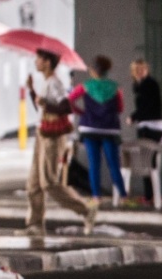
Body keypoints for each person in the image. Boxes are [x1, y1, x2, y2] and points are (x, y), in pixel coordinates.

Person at [25, 50, 97, 237]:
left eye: (39, 59)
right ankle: (35, 224)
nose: (36, 62)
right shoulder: (46, 82)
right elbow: (42, 107)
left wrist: (44, 103)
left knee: (48, 182)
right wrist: (32, 91)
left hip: (53, 138)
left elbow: (65, 107)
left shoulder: (55, 83)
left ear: (48, 62)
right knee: (33, 183)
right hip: (43, 134)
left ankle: (86, 210)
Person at [71, 55, 128, 204]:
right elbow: (120, 108)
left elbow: (70, 100)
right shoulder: (115, 88)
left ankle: (96, 196)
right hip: (110, 129)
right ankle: (123, 195)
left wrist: (80, 112)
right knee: (113, 163)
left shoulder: (84, 86)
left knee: (94, 164)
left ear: (93, 70)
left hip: (89, 128)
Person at [127, 58, 162, 205]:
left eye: (141, 69)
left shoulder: (147, 85)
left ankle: (151, 195)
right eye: (137, 70)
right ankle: (159, 193)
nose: (139, 72)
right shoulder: (145, 85)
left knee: (147, 161)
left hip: (149, 127)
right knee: (151, 161)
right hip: (153, 126)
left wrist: (133, 116)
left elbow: (147, 107)